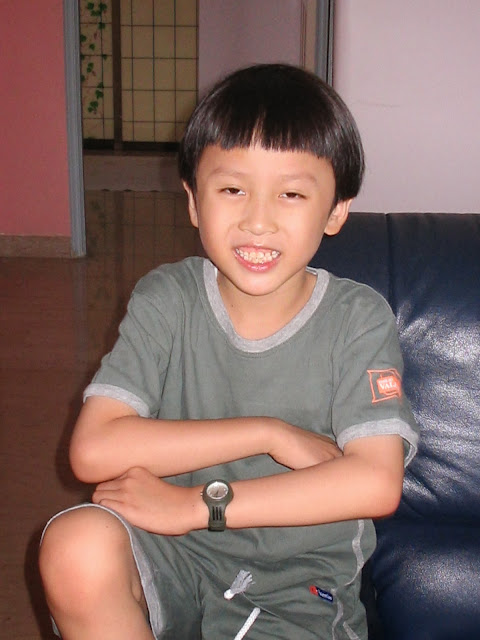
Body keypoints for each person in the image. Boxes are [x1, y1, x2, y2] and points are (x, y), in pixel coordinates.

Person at [39, 63, 419, 640]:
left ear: (336, 210)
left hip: (296, 587)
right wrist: (268, 433)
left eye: (291, 194)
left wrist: (201, 504)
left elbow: (375, 482)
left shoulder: (357, 319)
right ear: (194, 201)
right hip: (174, 553)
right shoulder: (166, 297)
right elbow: (93, 451)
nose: (257, 221)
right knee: (76, 545)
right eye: (233, 189)